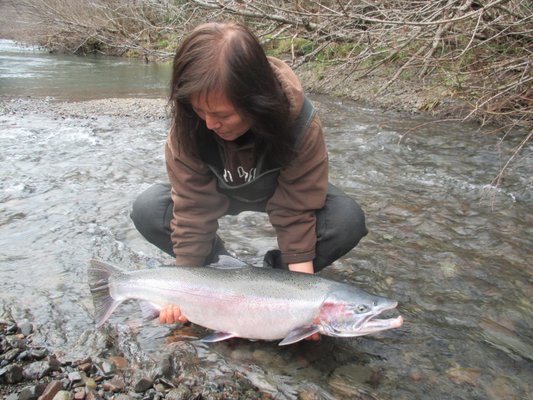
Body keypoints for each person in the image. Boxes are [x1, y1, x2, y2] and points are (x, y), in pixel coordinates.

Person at [130, 22, 368, 330]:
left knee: (346, 220)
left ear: (257, 101)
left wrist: (303, 309)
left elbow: (295, 211)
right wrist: (183, 289)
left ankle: (274, 277)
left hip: (281, 193)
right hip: (215, 194)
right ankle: (218, 273)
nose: (210, 124)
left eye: (223, 115)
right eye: (201, 111)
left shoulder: (299, 123)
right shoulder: (189, 125)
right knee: (148, 209)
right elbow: (192, 210)